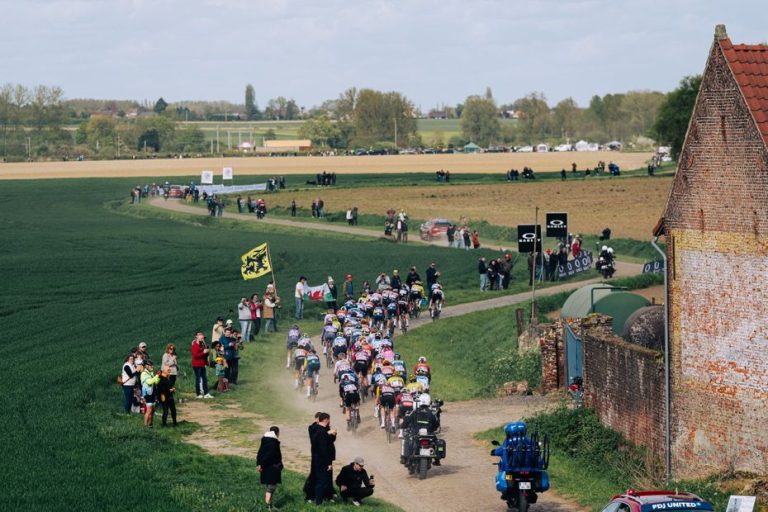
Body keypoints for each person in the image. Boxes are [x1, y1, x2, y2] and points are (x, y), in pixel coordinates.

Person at [310, 413, 337, 505]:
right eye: (328, 419)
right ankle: (318, 501)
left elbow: (328, 442)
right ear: (325, 420)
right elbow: (323, 449)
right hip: (322, 460)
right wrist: (328, 463)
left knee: (321, 479)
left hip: (319, 458)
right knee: (322, 480)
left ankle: (319, 499)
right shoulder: (321, 431)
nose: (329, 421)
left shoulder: (320, 430)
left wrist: (332, 435)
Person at [257, 426, 283, 511]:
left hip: (265, 467)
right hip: (271, 467)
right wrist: (261, 465)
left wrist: (259, 464)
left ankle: (270, 505)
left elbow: (259, 453)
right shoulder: (273, 442)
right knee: (271, 487)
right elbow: (269, 456)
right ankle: (268, 506)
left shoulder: (265, 440)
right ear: (277, 433)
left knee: (270, 486)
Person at [191, 331, 213, 399]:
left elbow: (204, 355)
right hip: (197, 365)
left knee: (205, 379)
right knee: (198, 380)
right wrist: (203, 352)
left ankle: (206, 393)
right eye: (200, 335)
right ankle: (198, 394)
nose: (201, 336)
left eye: (202, 335)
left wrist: (206, 352)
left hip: (202, 364)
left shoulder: (203, 345)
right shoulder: (195, 345)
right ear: (196, 337)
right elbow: (195, 356)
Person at [140, 360, 160, 428]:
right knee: (149, 411)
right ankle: (145, 426)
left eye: (152, 365)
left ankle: (150, 425)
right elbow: (149, 382)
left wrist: (158, 377)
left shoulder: (151, 373)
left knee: (153, 411)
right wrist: (156, 375)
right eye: (151, 365)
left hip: (152, 393)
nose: (152, 366)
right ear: (146, 366)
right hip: (147, 394)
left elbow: (156, 382)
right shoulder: (144, 374)